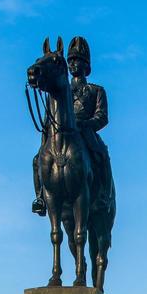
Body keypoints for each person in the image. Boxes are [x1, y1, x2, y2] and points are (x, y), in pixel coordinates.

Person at [32, 35, 112, 217]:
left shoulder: (96, 91)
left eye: (78, 60)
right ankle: (40, 197)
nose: (74, 64)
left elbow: (102, 116)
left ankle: (103, 195)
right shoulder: (61, 90)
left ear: (87, 66)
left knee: (102, 153)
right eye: (71, 60)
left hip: (85, 131)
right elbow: (49, 116)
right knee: (37, 160)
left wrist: (86, 124)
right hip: (61, 132)